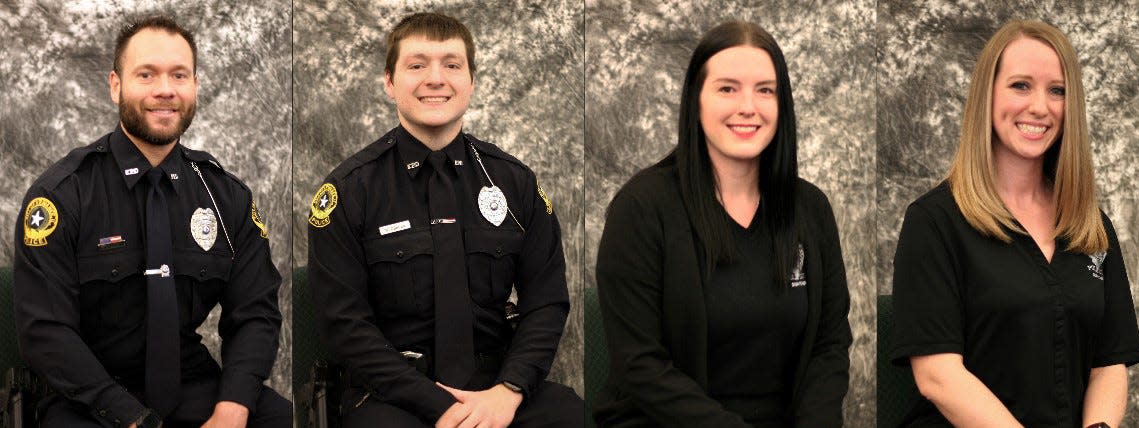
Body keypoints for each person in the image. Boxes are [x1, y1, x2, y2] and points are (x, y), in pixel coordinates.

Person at [306, 12, 583, 428]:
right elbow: (345, 325)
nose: (436, 78)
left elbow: (546, 301)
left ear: (471, 81)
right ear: (389, 81)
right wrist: (442, 408)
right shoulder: (349, 191)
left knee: (567, 414)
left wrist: (508, 391)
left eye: (452, 65)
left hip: (496, 389)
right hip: (394, 396)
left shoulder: (514, 183)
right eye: (417, 65)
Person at [13, 15, 290, 428]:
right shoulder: (61, 196)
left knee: (277, 418)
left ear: (195, 85)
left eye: (179, 75)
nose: (165, 90)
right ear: (115, 85)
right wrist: (131, 419)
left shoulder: (225, 196)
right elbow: (46, 332)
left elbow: (256, 313)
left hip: (193, 387)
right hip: (91, 398)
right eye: (147, 74)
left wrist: (233, 406)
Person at [593, 21, 852, 428]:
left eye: (764, 90)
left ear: (781, 103)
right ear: (696, 101)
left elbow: (829, 347)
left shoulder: (811, 208)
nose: (748, 106)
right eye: (727, 88)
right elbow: (640, 364)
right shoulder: (641, 208)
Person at [889, 20, 1139, 428]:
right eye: (1020, 85)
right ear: (987, 96)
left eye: (1056, 90)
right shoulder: (933, 222)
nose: (1040, 107)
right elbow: (938, 377)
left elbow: (1109, 364)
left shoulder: (1092, 226)